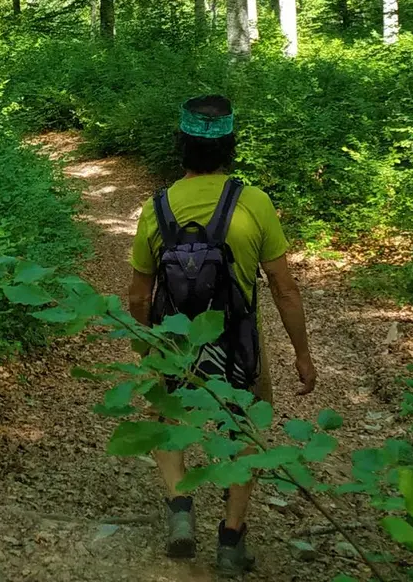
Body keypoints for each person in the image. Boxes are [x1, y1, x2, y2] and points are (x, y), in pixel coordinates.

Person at [126, 94, 316, 577]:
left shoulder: (156, 208)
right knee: (245, 426)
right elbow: (284, 288)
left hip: (175, 339)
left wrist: (148, 347)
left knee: (165, 417)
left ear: (180, 147)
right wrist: (302, 354)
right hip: (238, 341)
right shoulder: (253, 202)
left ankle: (181, 506)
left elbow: (137, 295)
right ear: (230, 148)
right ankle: (231, 537)